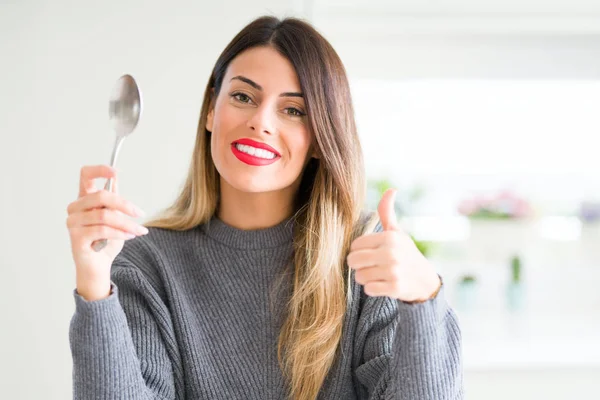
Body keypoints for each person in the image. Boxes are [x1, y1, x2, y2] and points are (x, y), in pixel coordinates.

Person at [66, 15, 463, 400]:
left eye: (293, 110)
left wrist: (424, 298)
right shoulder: (147, 264)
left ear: (322, 140)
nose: (261, 122)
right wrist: (95, 284)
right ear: (210, 110)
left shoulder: (367, 258)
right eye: (243, 96)